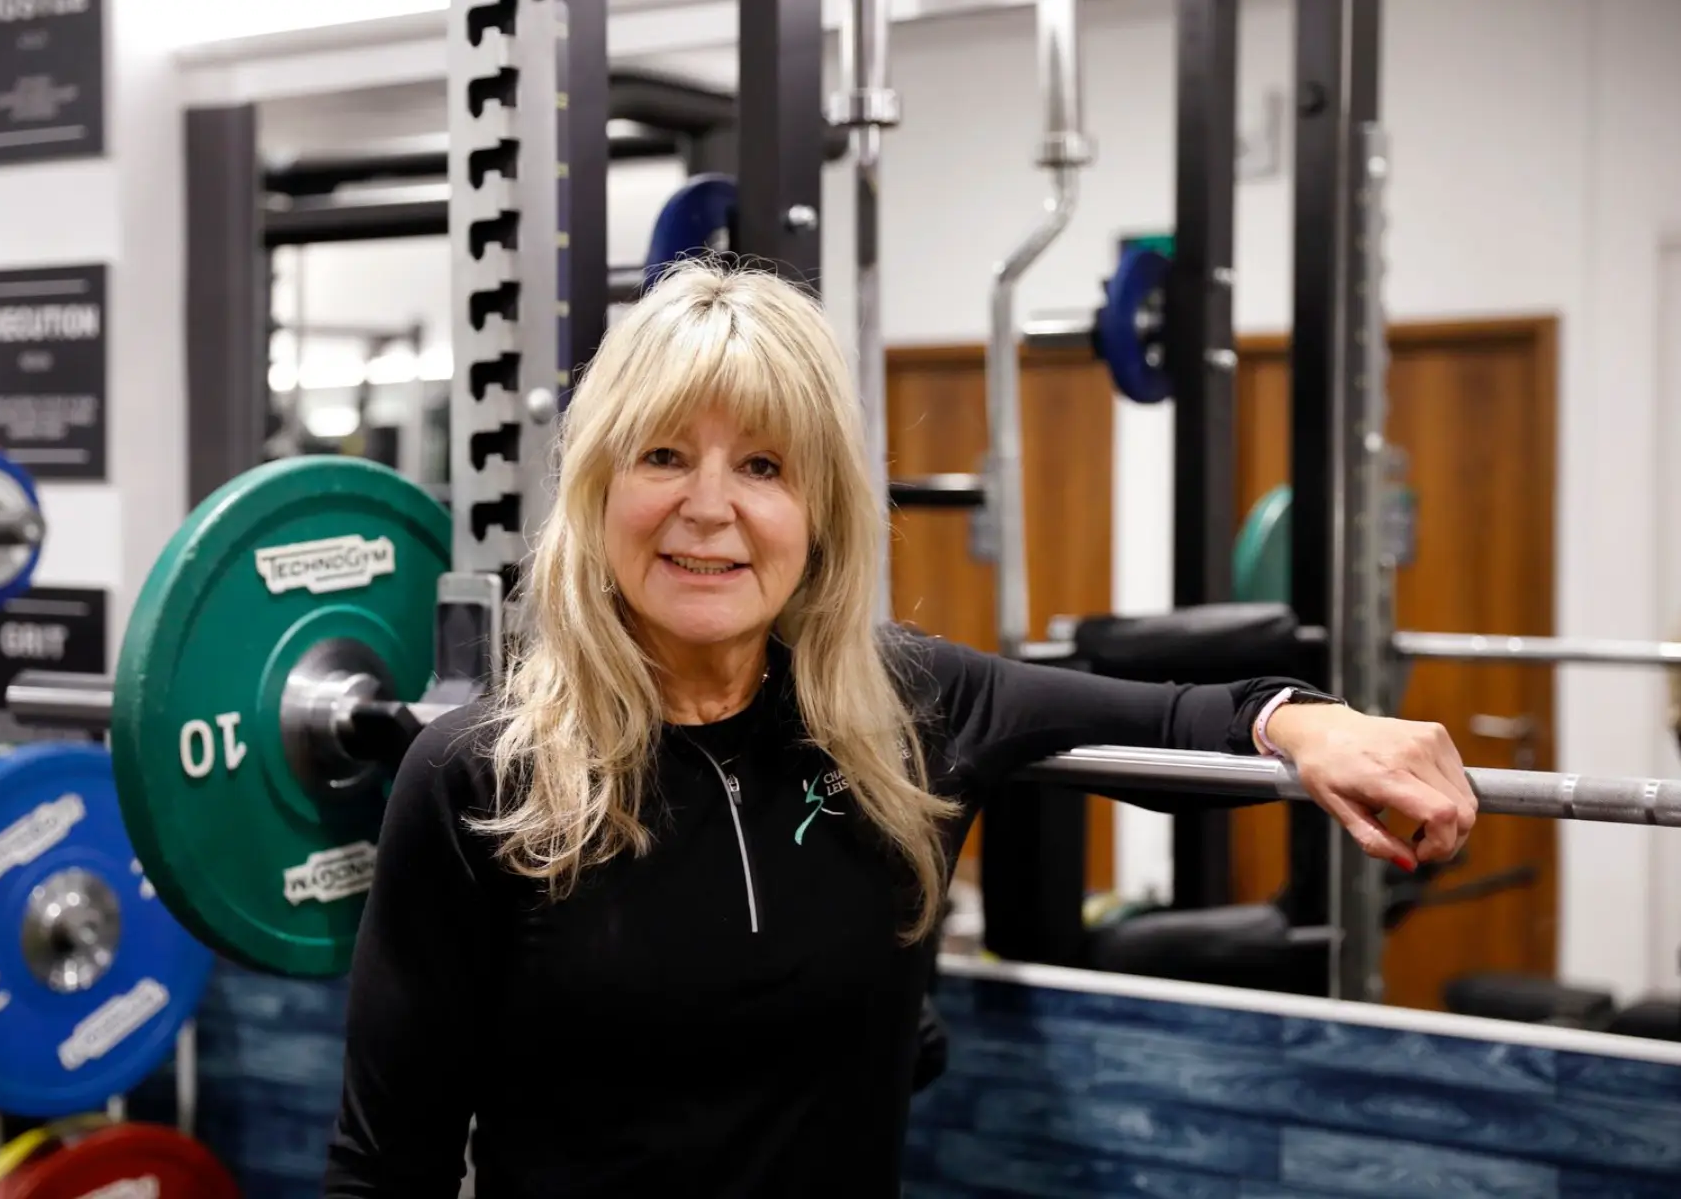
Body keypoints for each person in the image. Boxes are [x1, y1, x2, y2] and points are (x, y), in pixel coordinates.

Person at [322, 261, 1477, 1198]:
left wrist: (1309, 723)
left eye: (762, 466)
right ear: (596, 489)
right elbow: (387, 1169)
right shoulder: (478, 775)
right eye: (663, 455)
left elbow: (1188, 719)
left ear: (818, 510)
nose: (708, 508)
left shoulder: (904, 710)